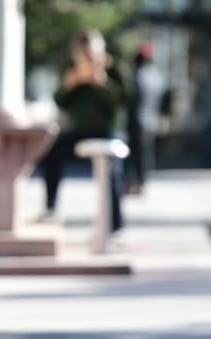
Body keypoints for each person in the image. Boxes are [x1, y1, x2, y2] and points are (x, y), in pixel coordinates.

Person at [38, 29, 126, 232]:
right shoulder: (72, 70)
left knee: (112, 171)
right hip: (80, 131)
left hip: (108, 131)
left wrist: (101, 82)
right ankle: (50, 207)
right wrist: (70, 84)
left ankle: (116, 224)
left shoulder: (114, 70)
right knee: (54, 154)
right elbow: (60, 101)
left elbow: (120, 102)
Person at [125, 42, 165, 195]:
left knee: (133, 154)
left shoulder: (137, 74)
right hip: (151, 121)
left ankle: (134, 182)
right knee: (145, 154)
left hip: (136, 120)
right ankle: (142, 182)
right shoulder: (156, 77)